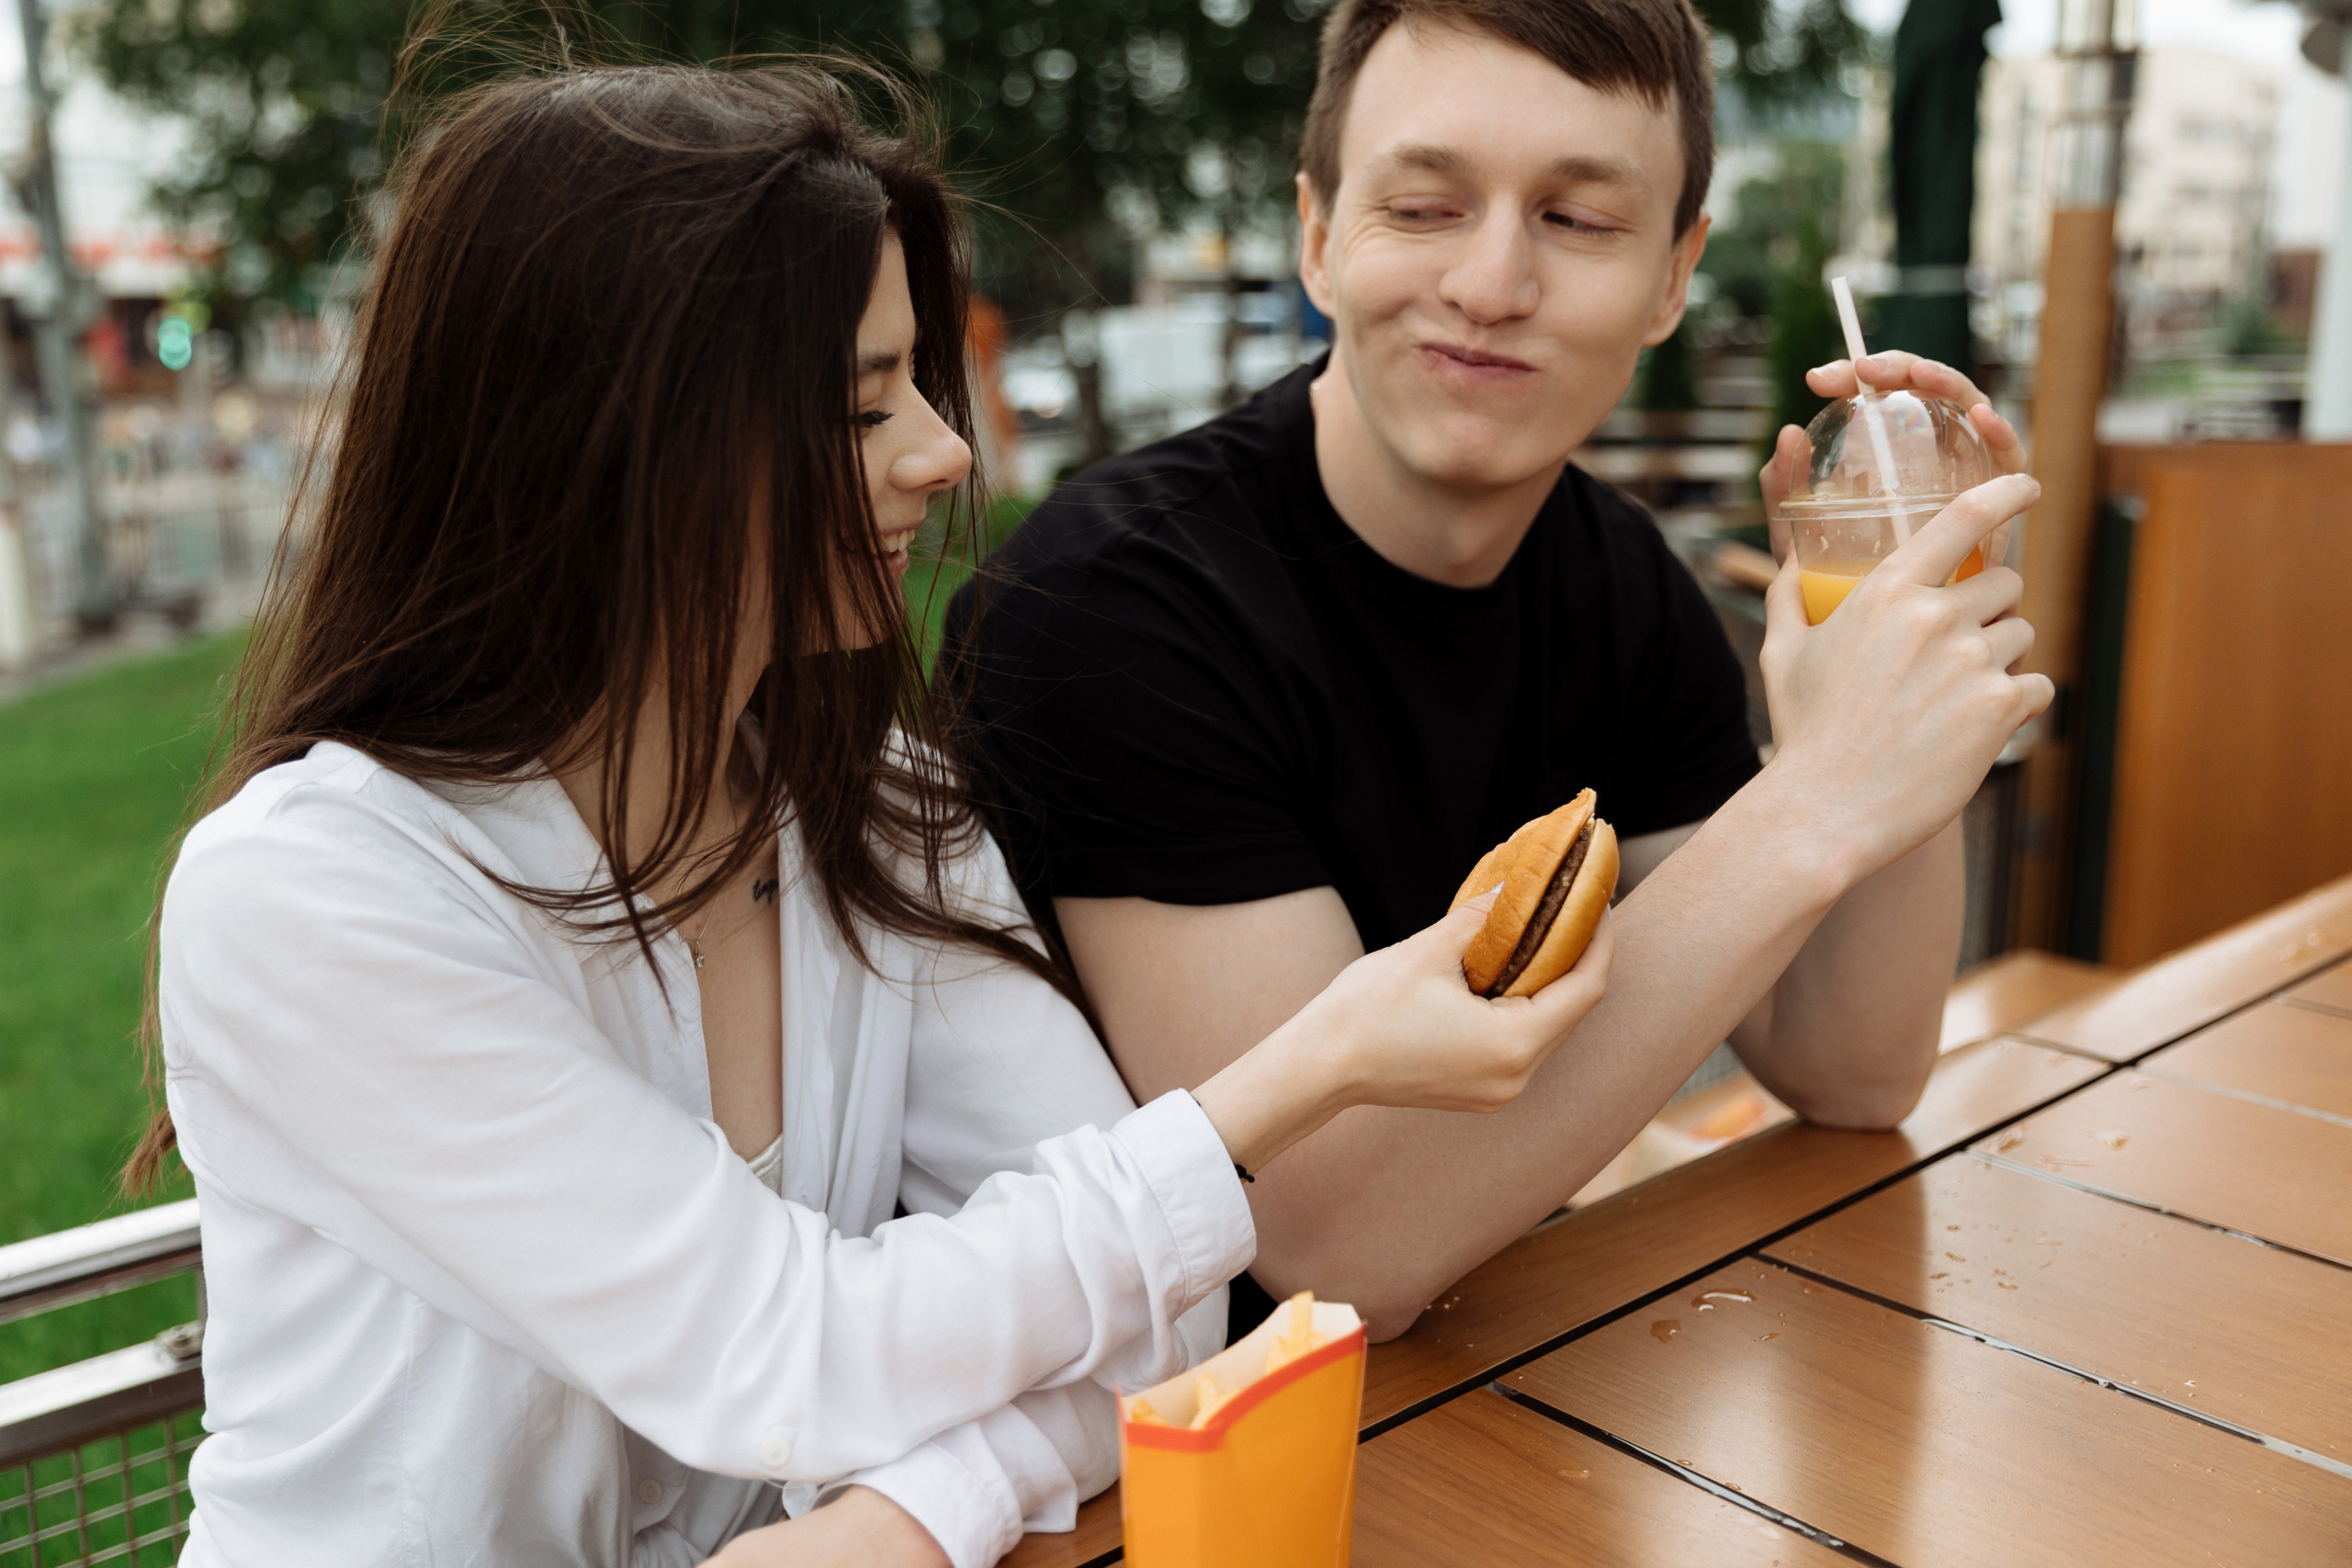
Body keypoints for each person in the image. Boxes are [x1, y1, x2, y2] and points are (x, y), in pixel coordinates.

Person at [131, 62, 1613, 1568]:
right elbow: (802, 1353)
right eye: (859, 407)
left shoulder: (876, 805)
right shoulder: (314, 896)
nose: (942, 451)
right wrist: (1310, 1067)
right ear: (605, 451)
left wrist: (906, 1518)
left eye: (915, 384)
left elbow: (1154, 1317)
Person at [938, 0, 2053, 1344]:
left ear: (1672, 276)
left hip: (1497, 1380)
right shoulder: (1110, 600)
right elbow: (1334, 1242)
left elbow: (1852, 1067)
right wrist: (1812, 794)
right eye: (1423, 208)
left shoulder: (1623, 585)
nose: (1490, 283)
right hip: (1129, 1452)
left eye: (1577, 219)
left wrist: (1906, 665)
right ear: (1317, 235)